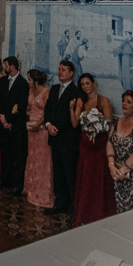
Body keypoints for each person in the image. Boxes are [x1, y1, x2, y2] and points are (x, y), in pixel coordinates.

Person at [70, 73, 116, 226]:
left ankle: (99, 214)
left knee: (99, 180)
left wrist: (97, 123)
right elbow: (75, 124)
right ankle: (83, 215)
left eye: (87, 83)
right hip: (86, 147)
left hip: (100, 146)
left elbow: (109, 125)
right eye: (82, 84)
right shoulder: (80, 101)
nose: (85, 87)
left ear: (94, 84)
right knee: (86, 180)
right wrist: (72, 109)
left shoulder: (103, 101)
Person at [43, 60, 82, 216]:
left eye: (63, 70)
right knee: (57, 172)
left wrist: (56, 128)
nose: (60, 72)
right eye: (59, 69)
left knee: (69, 173)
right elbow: (48, 110)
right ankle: (60, 204)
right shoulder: (53, 89)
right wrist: (47, 125)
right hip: (53, 136)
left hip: (68, 139)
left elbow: (71, 117)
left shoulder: (76, 91)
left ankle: (73, 207)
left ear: (71, 73)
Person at [108, 90, 133, 214]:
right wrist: (112, 165)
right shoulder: (117, 121)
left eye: (128, 102)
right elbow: (110, 143)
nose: (124, 104)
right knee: (119, 212)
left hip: (131, 176)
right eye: (123, 101)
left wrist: (124, 169)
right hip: (116, 174)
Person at [0, 56, 29, 195]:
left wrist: (8, 118)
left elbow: (21, 106)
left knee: (17, 156)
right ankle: (4, 180)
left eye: (6, 65)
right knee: (5, 154)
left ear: (13, 67)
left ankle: (17, 185)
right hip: (3, 124)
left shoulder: (23, 84)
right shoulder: (3, 80)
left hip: (16, 126)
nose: (4, 67)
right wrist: (3, 119)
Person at [24, 69, 54, 209]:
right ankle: (32, 189)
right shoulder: (31, 91)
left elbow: (48, 110)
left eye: (29, 79)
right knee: (33, 157)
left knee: (43, 159)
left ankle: (42, 193)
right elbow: (30, 107)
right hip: (31, 128)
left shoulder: (46, 91)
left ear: (36, 81)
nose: (28, 81)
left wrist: (39, 123)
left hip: (41, 129)